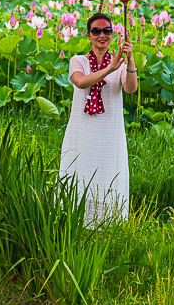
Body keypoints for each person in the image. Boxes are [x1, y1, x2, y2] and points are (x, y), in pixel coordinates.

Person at [59, 12, 138, 226]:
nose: (101, 35)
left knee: (108, 171)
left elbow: (131, 89)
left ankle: (108, 222)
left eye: (107, 30)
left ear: (112, 35)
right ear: (89, 35)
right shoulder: (79, 61)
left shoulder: (120, 64)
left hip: (109, 130)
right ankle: (76, 220)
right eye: (96, 31)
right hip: (82, 128)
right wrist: (109, 68)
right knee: (79, 169)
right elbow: (81, 82)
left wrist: (129, 61)